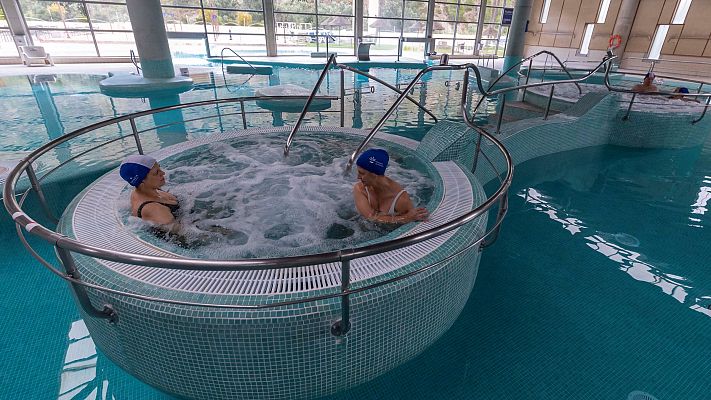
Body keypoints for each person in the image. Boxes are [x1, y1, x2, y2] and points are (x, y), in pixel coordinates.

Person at [352, 149, 429, 224]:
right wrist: (405, 218)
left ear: (374, 174)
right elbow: (370, 217)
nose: (358, 177)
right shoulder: (360, 189)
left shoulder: (401, 199)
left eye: (361, 173)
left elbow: (412, 223)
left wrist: (409, 218)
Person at [120, 154, 179, 226]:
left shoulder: (142, 191)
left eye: (159, 168)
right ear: (142, 180)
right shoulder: (155, 210)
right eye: (156, 172)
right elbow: (183, 234)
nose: (163, 173)